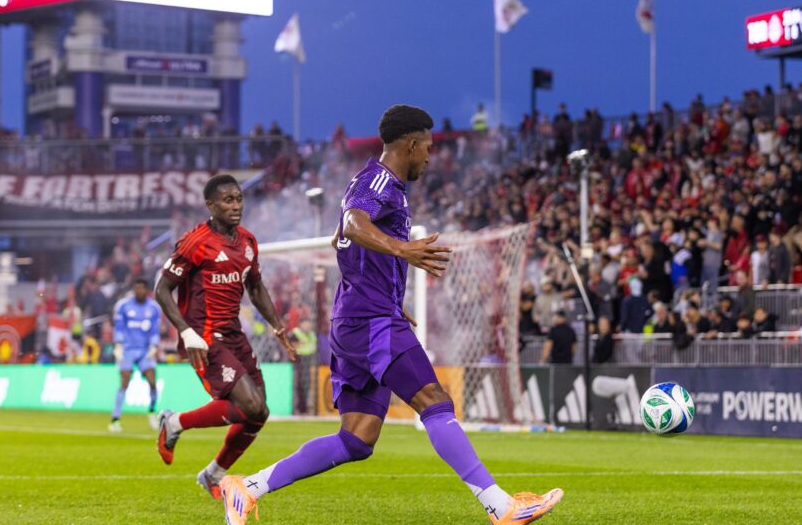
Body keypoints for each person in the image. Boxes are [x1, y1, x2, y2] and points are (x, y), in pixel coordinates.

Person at [219, 105, 563, 524]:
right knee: (434, 401)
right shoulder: (379, 180)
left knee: (357, 439)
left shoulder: (375, 183)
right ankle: (502, 507)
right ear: (412, 144)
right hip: (370, 321)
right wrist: (402, 251)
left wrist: (386, 287)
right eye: (428, 148)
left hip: (359, 316)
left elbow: (339, 239)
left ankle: (246, 488)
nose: (430, 157)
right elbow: (350, 226)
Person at [154, 174, 297, 499]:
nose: (236, 206)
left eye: (239, 199)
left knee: (259, 414)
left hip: (233, 333)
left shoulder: (248, 242)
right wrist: (186, 332)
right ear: (211, 205)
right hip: (204, 337)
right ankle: (174, 422)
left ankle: (213, 474)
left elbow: (255, 286)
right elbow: (161, 289)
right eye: (228, 200)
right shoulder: (195, 242)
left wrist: (278, 326)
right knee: (249, 405)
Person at [109, 279, 162, 432]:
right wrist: (118, 345)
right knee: (124, 381)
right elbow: (119, 327)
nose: (139, 291)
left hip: (145, 350)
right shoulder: (123, 306)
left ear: (147, 290)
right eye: (136, 288)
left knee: (152, 381)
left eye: (142, 288)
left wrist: (154, 346)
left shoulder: (154, 308)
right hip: (127, 349)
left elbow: (155, 329)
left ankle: (151, 411)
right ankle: (115, 419)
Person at [290, 318, 318, 415]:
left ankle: (306, 408)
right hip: (298, 362)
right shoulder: (296, 333)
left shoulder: (312, 335)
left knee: (307, 387)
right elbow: (292, 346)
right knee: (298, 385)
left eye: (308, 324)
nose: (307, 326)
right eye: (305, 324)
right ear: (301, 325)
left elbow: (314, 348)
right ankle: (297, 408)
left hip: (309, 362)